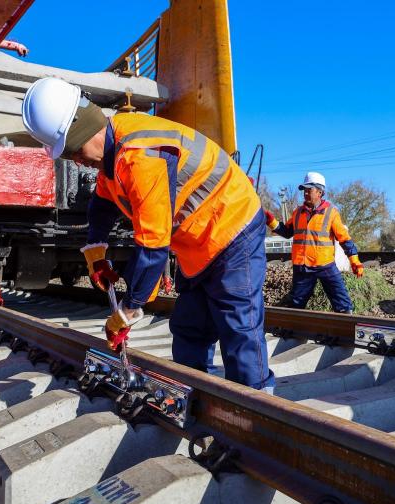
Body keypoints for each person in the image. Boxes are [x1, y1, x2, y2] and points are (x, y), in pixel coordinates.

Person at [21, 77, 274, 391]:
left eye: (74, 150)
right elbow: (101, 203)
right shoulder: (112, 148)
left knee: (239, 328)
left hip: (232, 229)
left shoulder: (141, 157)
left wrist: (128, 310)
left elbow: (153, 247)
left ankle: (259, 411)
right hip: (199, 243)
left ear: (86, 130)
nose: (77, 161)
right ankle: (196, 396)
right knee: (190, 327)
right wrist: (95, 251)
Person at [265, 172, 363, 313]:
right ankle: (294, 331)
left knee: (342, 302)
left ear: (320, 192)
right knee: (296, 304)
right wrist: (271, 221)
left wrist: (355, 261)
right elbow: (286, 232)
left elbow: (344, 239)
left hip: (325, 266)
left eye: (308, 190)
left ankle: (346, 329)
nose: (305, 193)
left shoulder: (331, 213)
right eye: (304, 190)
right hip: (302, 266)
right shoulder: (298, 213)